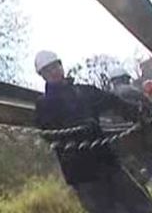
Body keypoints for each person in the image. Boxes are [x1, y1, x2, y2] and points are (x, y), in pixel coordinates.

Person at [34, 50, 152, 213]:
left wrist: (137, 113)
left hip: (107, 163)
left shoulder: (84, 92)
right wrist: (79, 129)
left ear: (61, 66)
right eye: (48, 70)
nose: (54, 72)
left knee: (141, 206)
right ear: (42, 75)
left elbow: (113, 101)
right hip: (83, 175)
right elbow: (49, 134)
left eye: (55, 66)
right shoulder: (44, 105)